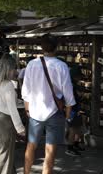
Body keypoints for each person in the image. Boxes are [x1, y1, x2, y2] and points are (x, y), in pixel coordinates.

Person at [22, 34, 75, 174]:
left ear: (41, 47)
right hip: (55, 112)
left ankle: (26, 172)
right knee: (50, 150)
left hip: (34, 111)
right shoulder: (61, 66)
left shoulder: (32, 64)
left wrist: (27, 110)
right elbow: (68, 94)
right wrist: (68, 116)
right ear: (56, 47)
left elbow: (25, 91)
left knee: (31, 145)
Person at [0, 54, 26, 174]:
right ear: (8, 69)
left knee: (1, 149)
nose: (15, 71)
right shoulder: (9, 85)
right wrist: (20, 128)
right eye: (13, 68)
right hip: (5, 120)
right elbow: (12, 109)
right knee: (5, 153)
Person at [66, 65, 84, 156]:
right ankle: (70, 147)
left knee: (78, 128)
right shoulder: (71, 85)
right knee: (73, 129)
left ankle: (75, 144)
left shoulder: (74, 85)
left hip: (76, 109)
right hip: (72, 110)